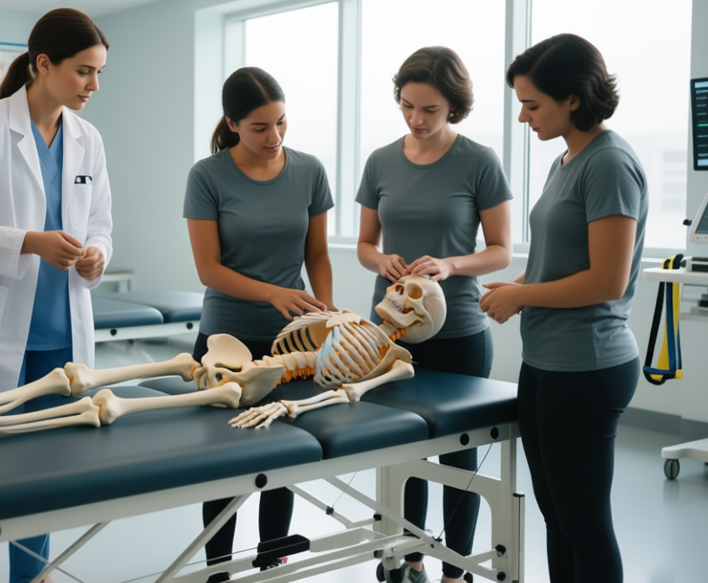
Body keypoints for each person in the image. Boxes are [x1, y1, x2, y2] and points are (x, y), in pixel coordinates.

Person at [0, 8, 113, 583]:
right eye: (83, 71)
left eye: (98, 73)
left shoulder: (88, 139)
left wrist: (97, 254)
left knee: (42, 482)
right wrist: (29, 242)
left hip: (60, 343)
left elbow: (102, 224)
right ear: (43, 64)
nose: (93, 86)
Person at [480, 33, 646, 583]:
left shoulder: (610, 163)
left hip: (589, 365)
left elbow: (605, 279)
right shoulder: (567, 160)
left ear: (573, 98)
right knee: (556, 516)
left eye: (533, 104)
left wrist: (520, 296)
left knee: (583, 521)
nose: (525, 118)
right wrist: (519, 283)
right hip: (547, 361)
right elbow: (560, 257)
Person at [356, 46, 511, 583]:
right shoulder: (380, 160)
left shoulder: (479, 161)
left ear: (455, 108)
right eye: (406, 106)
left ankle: (457, 569)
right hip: (392, 331)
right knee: (400, 449)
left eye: (429, 110)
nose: (416, 120)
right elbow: (364, 245)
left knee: (457, 457)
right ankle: (410, 556)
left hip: (460, 331)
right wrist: (382, 260)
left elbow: (501, 250)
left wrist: (450, 263)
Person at [183, 66, 334, 582]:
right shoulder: (207, 176)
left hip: (290, 341)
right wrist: (273, 291)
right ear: (232, 124)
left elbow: (317, 253)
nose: (274, 138)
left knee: (284, 456)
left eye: (282, 123)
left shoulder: (310, 170)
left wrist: (326, 316)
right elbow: (210, 270)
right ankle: (217, 571)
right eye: (260, 128)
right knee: (224, 464)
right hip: (225, 339)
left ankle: (273, 564)